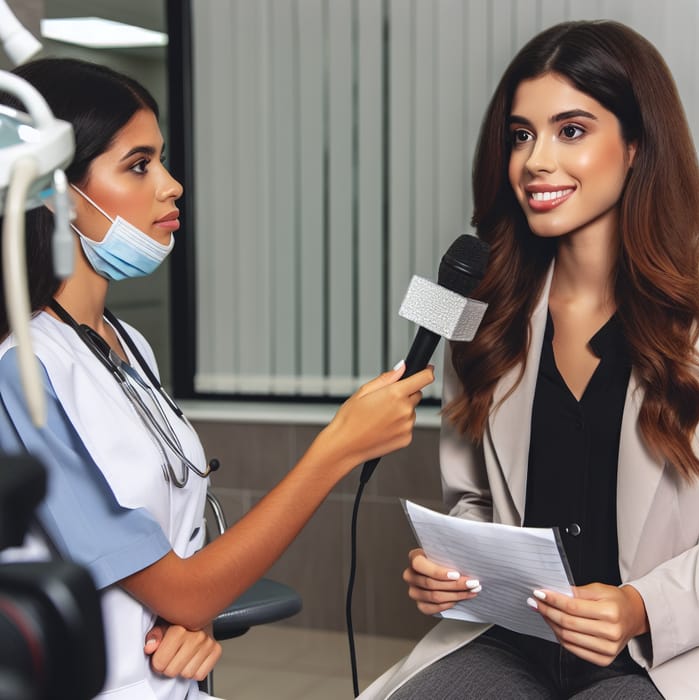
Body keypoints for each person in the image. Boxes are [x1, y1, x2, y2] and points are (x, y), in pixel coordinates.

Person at [0, 58, 434, 699]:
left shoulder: (126, 344)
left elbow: (175, 584)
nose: (172, 186)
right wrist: (338, 447)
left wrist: (194, 621)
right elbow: (182, 588)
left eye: (162, 160)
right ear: (52, 191)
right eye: (139, 165)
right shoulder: (22, 375)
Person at [359, 19, 699, 700]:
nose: (536, 161)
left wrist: (641, 608)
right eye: (521, 135)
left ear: (636, 145)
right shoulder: (480, 309)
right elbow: (474, 498)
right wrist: (455, 567)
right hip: (515, 636)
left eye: (571, 130)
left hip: (663, 650)